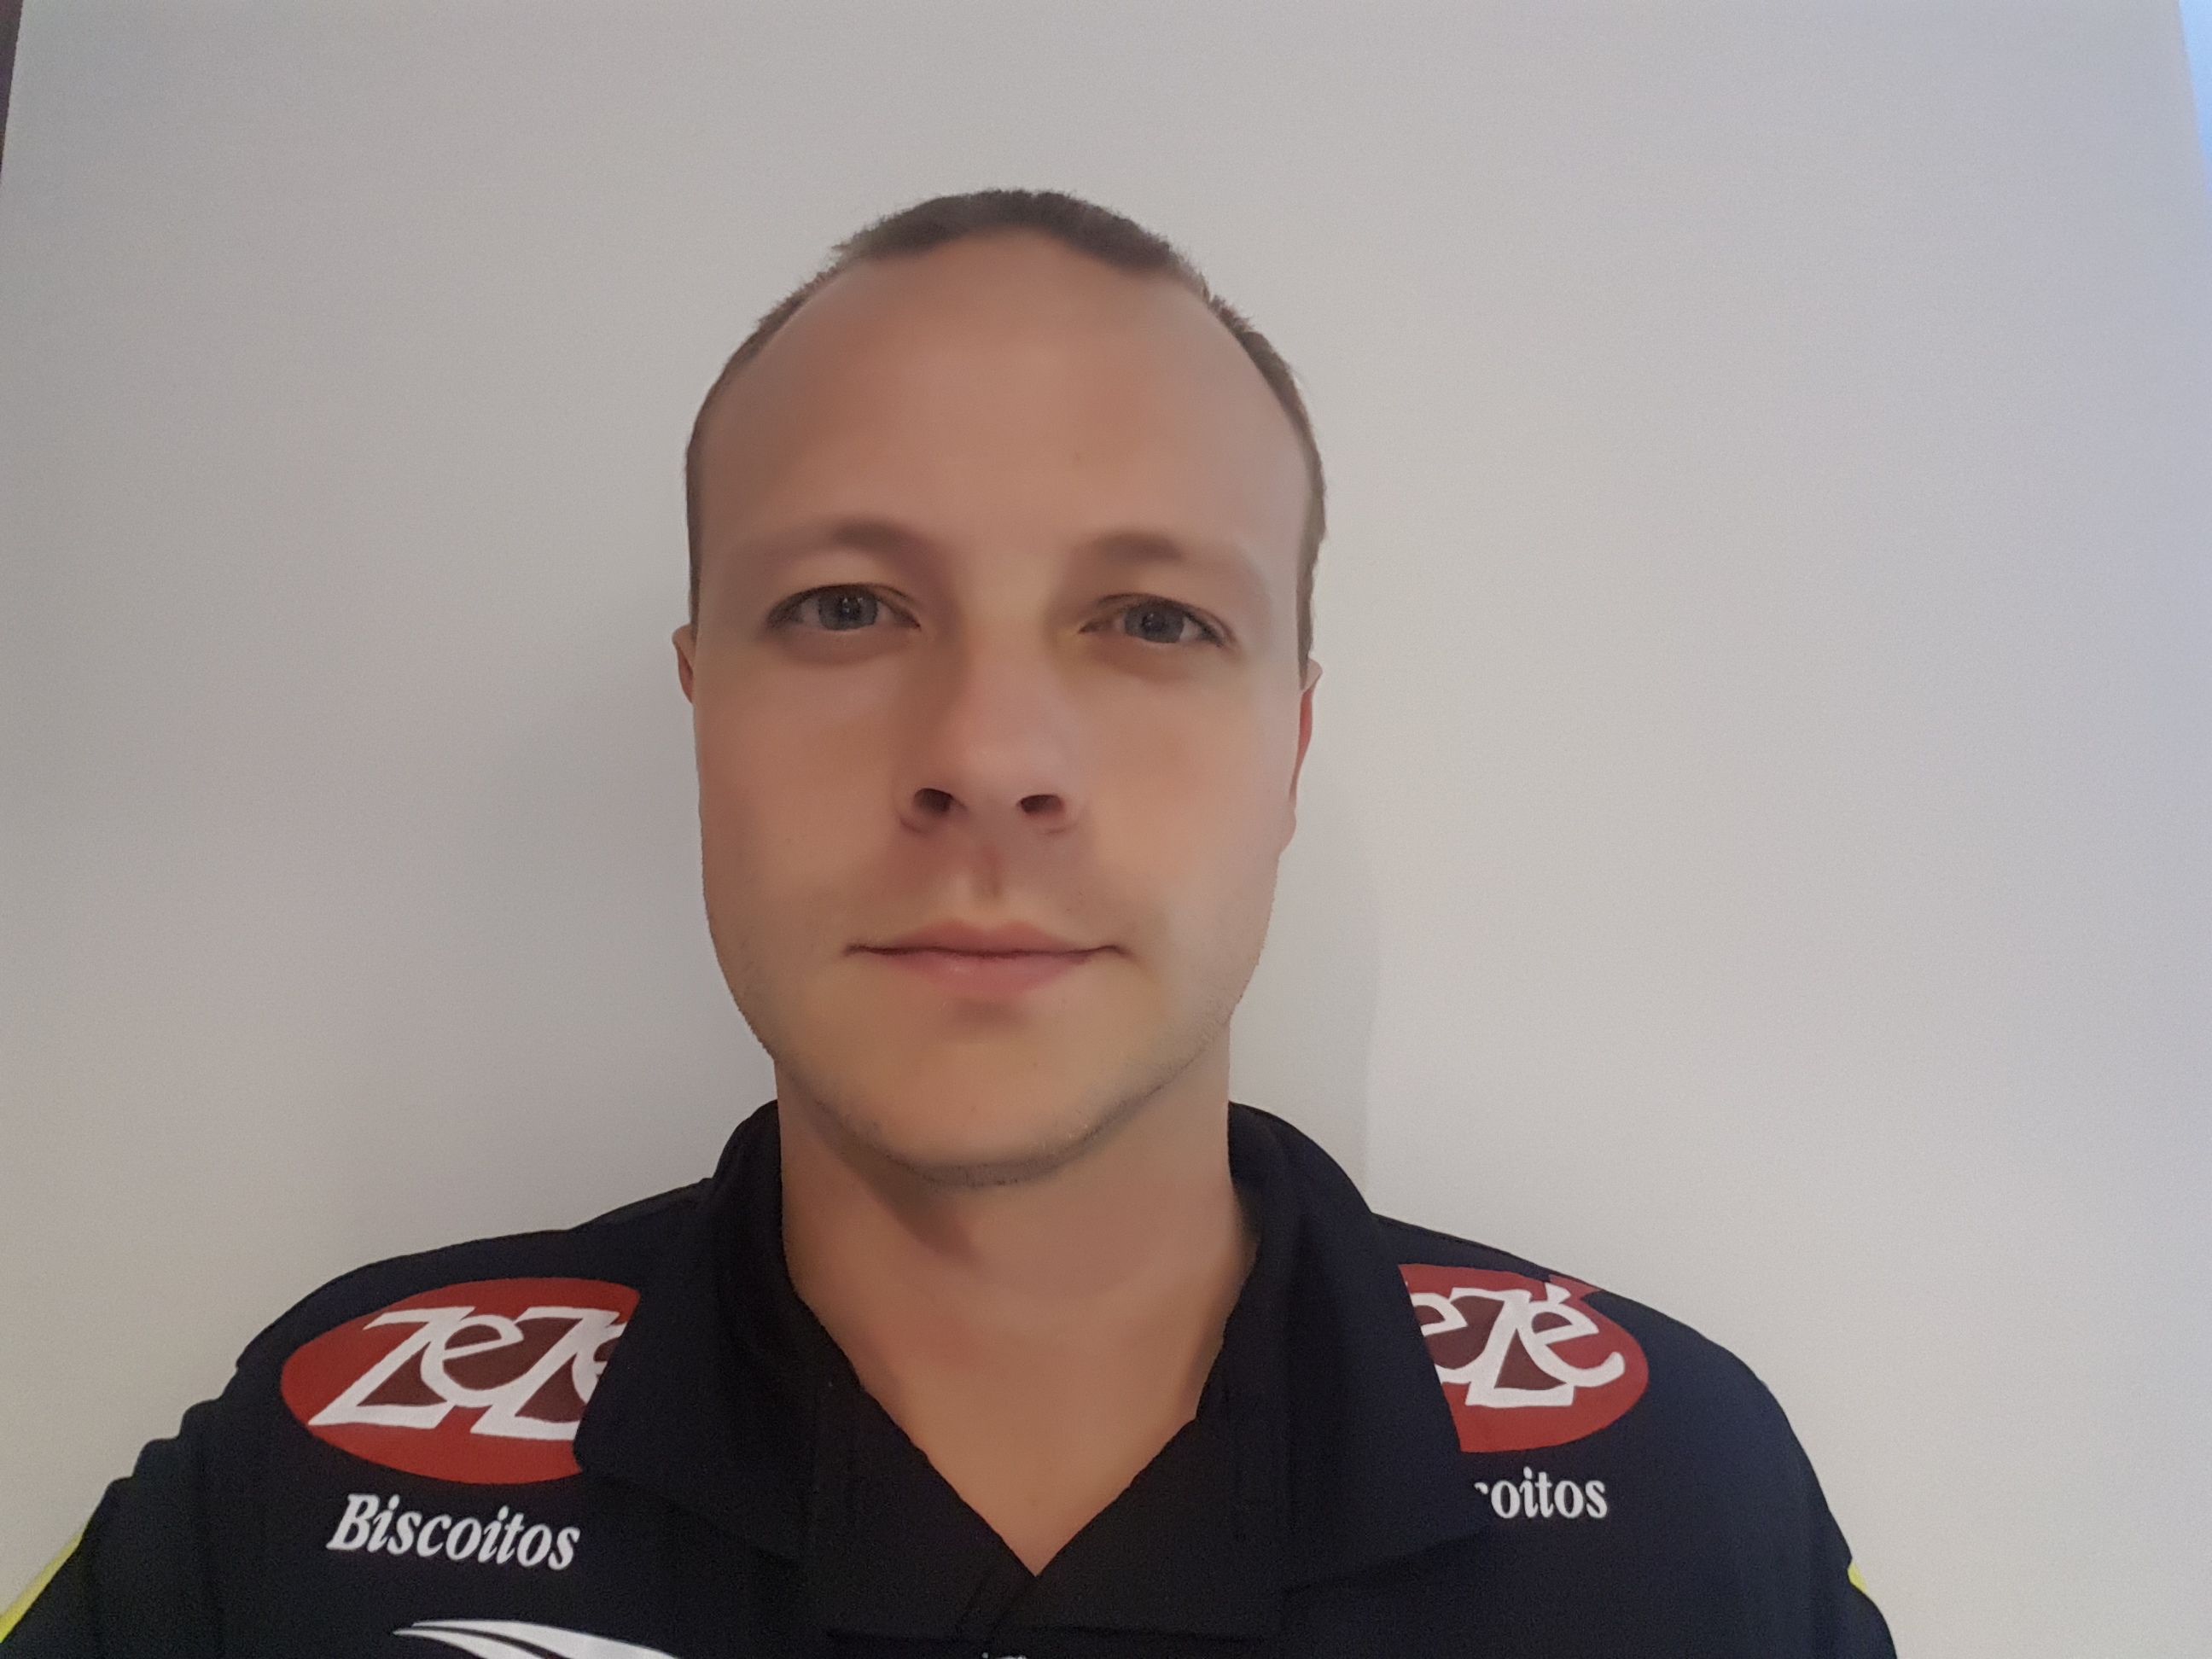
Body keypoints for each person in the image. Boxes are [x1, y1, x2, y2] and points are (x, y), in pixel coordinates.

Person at [1, 189, 1896, 1658]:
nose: (989, 759)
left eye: (1154, 620)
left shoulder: (1687, 1511)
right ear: (702, 712)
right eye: (844, 607)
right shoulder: (310, 1482)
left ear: (1292, 747)